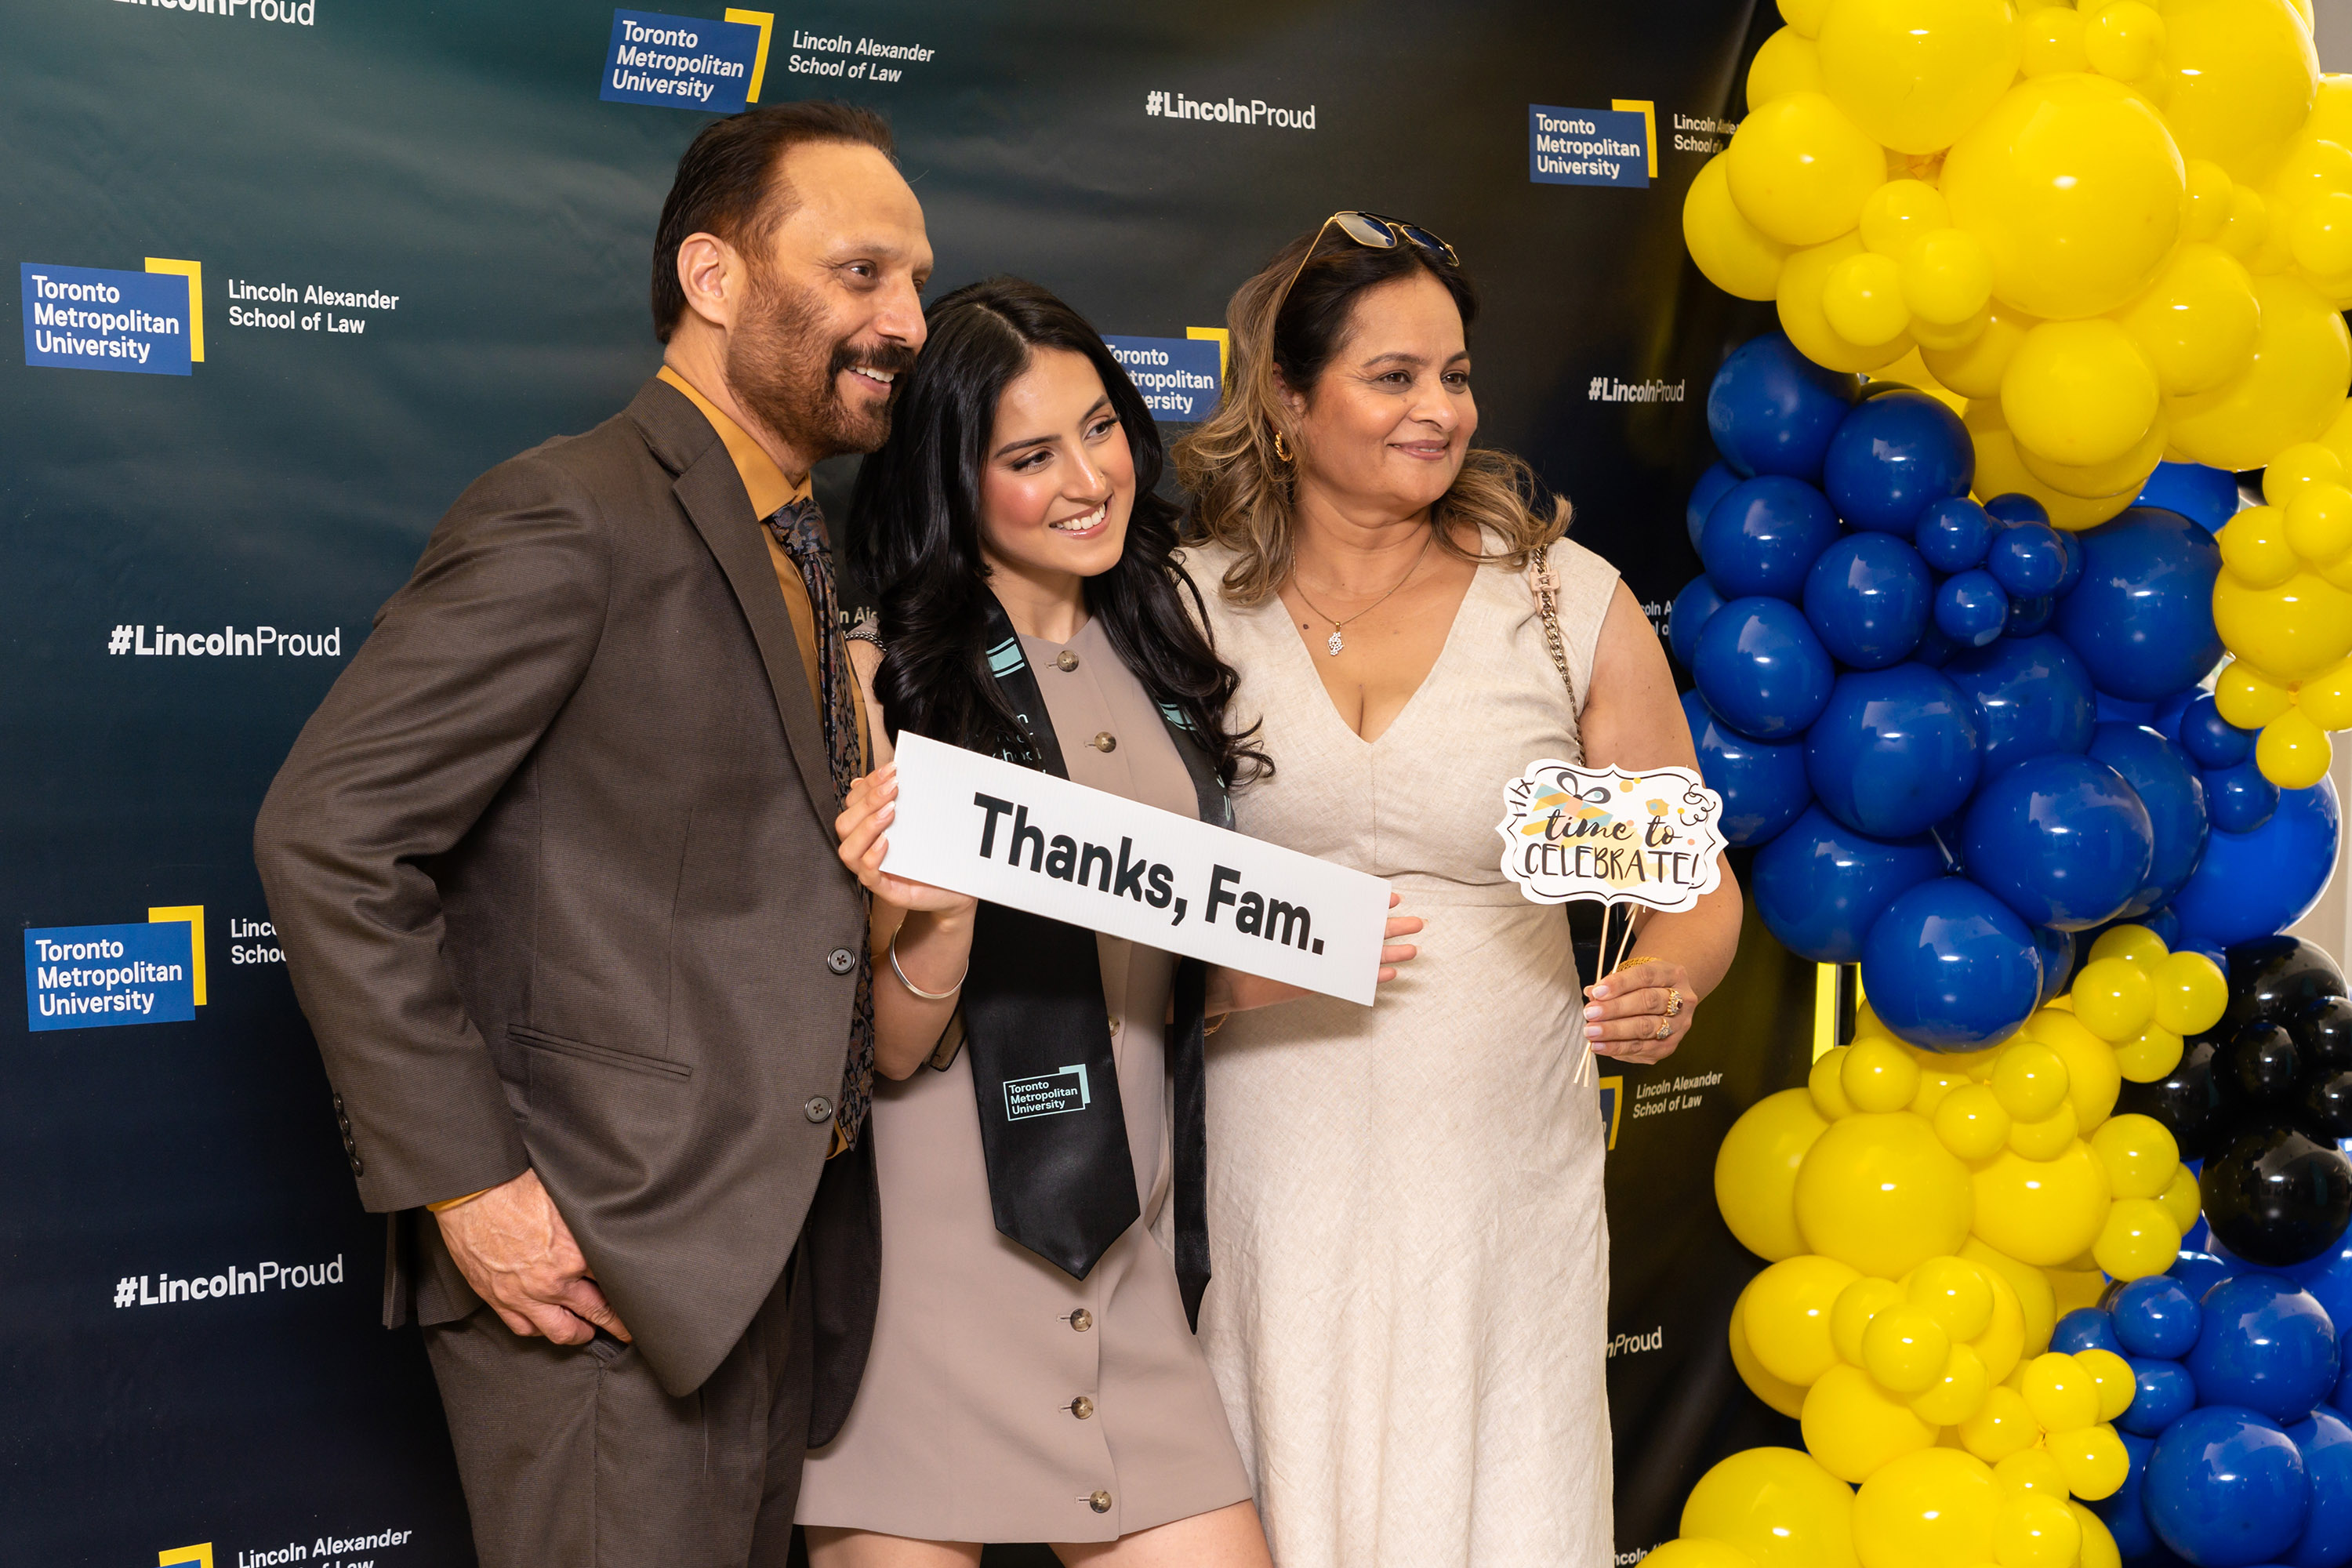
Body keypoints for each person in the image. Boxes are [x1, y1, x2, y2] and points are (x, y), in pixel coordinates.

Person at [252, 102, 931, 1567]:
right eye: (862, 273)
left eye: (915, 282)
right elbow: (330, 834)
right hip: (597, 1268)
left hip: (761, 1270)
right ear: (714, 277)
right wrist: (472, 1186)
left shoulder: (802, 541)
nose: (908, 322)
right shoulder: (572, 512)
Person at [797, 277, 1418, 1566]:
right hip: (931, 1276)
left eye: (1100, 431)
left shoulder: (1167, 644)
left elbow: (1159, 977)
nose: (1089, 480)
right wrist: (936, 923)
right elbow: (891, 1050)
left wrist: (1305, 948)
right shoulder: (873, 679)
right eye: (1030, 457)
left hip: (1125, 1266)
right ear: (952, 480)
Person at [1169, 213, 1745, 1566]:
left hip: (1498, 1173)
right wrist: (1215, 987)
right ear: (1289, 401)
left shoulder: (1558, 603)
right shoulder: (1187, 611)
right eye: (1394, 376)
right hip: (1271, 1159)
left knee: (1497, 1489)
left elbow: (1691, 888)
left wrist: (1671, 977)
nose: (1441, 409)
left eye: (1456, 375)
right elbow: (1120, 893)